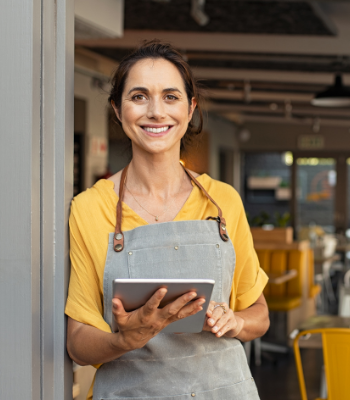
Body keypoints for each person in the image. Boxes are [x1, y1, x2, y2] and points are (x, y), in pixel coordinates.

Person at [65, 41, 269, 400]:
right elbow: (78, 342)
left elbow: (259, 313)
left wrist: (236, 322)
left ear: (190, 108)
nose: (156, 112)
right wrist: (124, 339)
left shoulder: (223, 203)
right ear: (117, 108)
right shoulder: (90, 208)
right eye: (139, 96)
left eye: (171, 97)